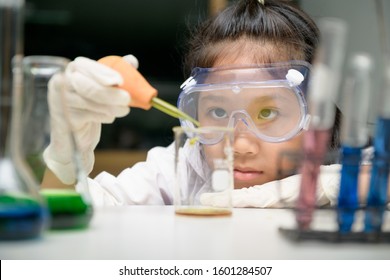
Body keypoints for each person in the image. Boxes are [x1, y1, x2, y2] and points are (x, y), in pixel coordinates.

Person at [43, 0, 343, 207]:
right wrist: (65, 155)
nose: (239, 145)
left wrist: (352, 185)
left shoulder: (344, 168)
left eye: (267, 112)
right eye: (218, 111)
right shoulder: (184, 167)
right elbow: (71, 213)